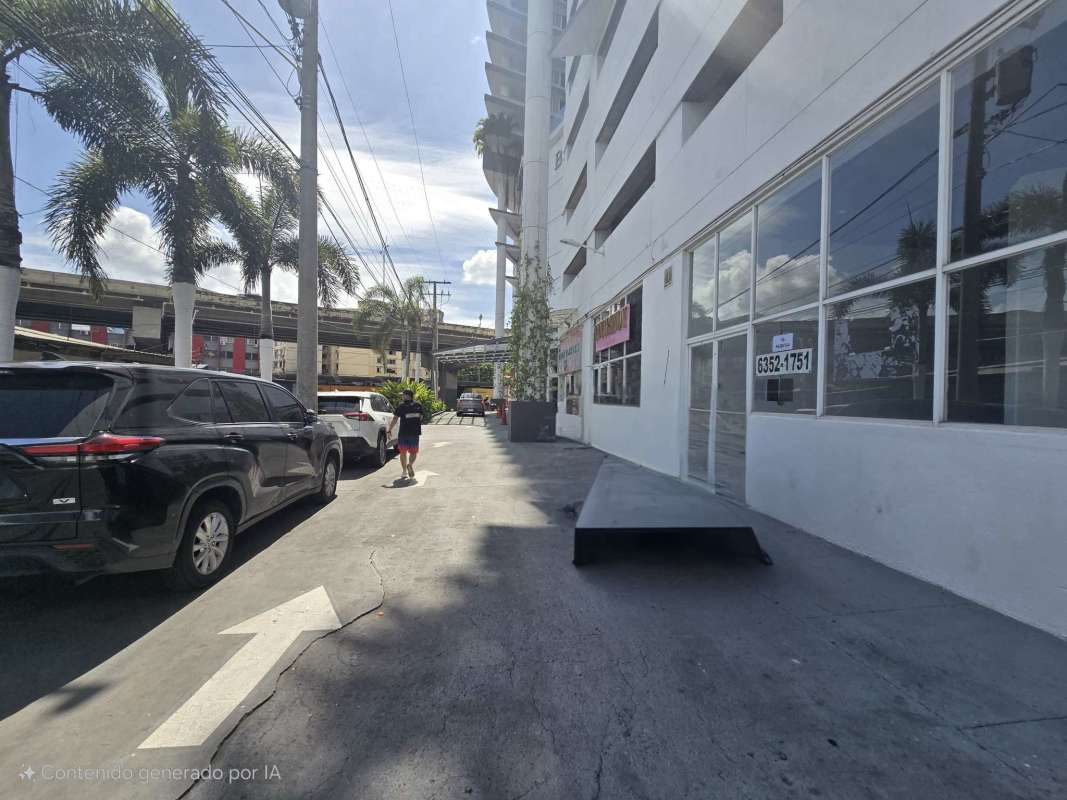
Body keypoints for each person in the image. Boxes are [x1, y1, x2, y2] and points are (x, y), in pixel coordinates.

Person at [387, 388, 423, 479]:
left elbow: (395, 418)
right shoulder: (418, 405)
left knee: (403, 452)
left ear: (407, 396)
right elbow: (421, 417)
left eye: (403, 395)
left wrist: (389, 429)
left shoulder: (401, 406)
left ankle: (404, 471)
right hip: (415, 433)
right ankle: (410, 464)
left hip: (403, 433)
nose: (402, 396)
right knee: (413, 452)